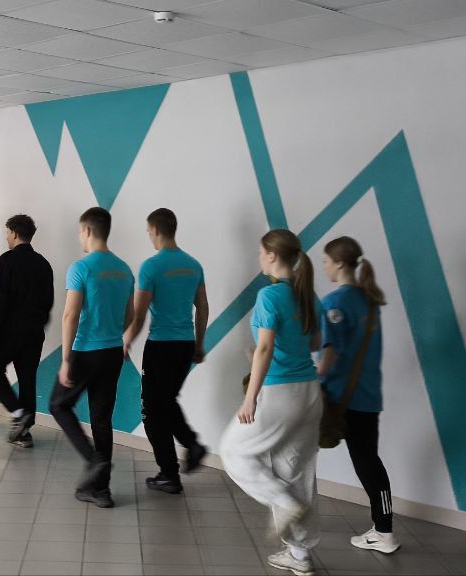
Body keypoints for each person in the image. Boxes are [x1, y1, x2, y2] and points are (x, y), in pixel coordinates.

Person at [220, 229, 322, 576]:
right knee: (296, 472)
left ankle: (283, 502)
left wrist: (250, 398)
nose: (260, 258)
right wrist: (276, 351)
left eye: (261, 252)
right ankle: (300, 555)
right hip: (309, 393)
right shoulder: (309, 295)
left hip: (280, 394)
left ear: (273, 256)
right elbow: (314, 343)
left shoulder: (269, 295)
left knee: (233, 451)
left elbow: (265, 348)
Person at [317, 236, 398, 554]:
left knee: (361, 463)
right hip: (369, 395)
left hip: (341, 397)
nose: (324, 267)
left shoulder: (334, 303)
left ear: (339, 263)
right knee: (369, 460)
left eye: (326, 261)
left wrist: (311, 375)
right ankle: (383, 528)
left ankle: (384, 532)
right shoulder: (370, 300)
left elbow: (330, 353)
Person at [51, 207, 134, 509]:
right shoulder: (124, 269)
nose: (79, 237)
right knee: (101, 419)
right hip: (112, 353)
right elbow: (130, 315)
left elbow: (70, 315)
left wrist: (65, 360)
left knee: (58, 404)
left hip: (85, 352)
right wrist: (111, 334)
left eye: (79, 232)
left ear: (87, 231)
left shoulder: (81, 268)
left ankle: (93, 460)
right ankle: (101, 491)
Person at [124, 208, 210, 495]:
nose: (148, 235)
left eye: (148, 231)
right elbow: (203, 306)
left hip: (160, 345)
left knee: (151, 410)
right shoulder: (193, 265)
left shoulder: (151, 266)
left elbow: (139, 315)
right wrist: (199, 344)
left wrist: (126, 341)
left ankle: (171, 471)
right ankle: (187, 449)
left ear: (156, 230)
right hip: (185, 345)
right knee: (165, 402)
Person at [0, 214, 54, 449]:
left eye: (7, 233)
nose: (6, 237)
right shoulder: (43, 264)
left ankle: (18, 412)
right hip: (34, 333)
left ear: (14, 233)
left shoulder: (7, 260)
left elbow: (0, 297)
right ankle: (25, 433)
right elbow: (48, 301)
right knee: (27, 379)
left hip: (9, 332)